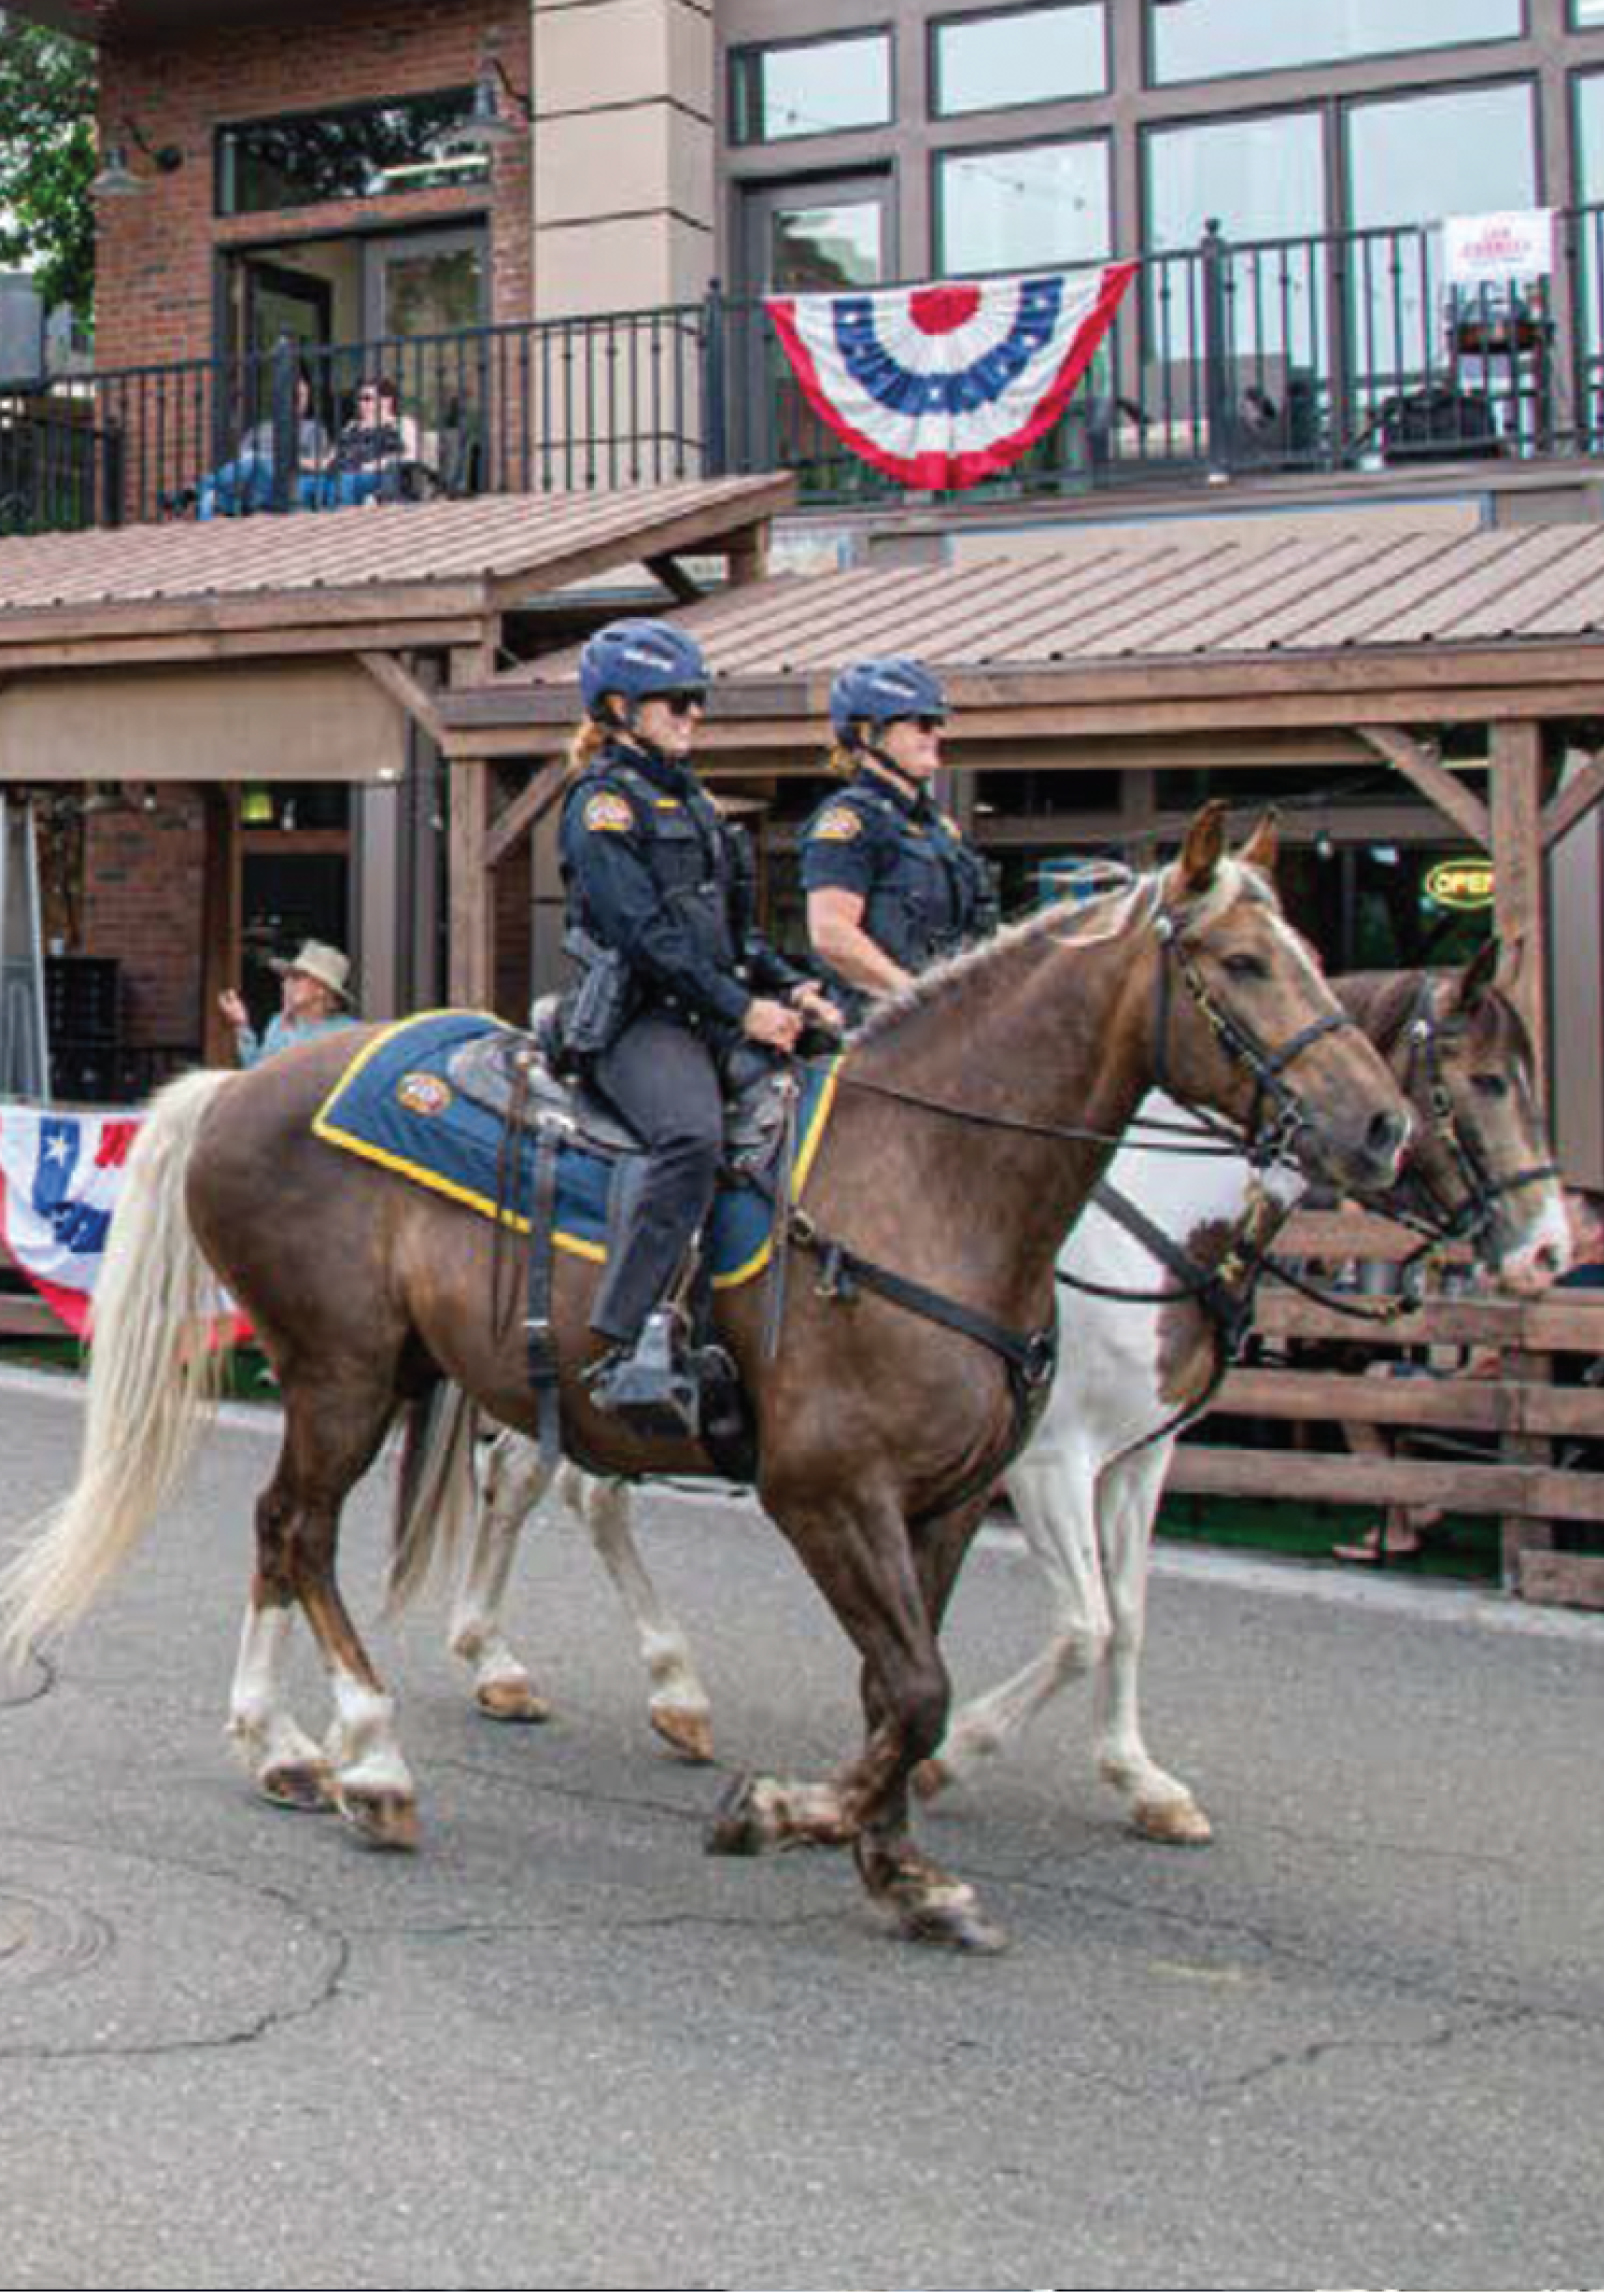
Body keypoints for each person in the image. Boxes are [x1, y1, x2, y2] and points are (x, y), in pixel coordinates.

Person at [557, 616, 840, 1424]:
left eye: (697, 701)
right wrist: (742, 1009)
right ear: (618, 705)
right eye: (673, 701)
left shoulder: (698, 806)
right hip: (637, 1021)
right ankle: (623, 1341)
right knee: (691, 1137)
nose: (691, 714)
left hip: (712, 1014)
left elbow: (737, 938)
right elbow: (642, 937)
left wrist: (793, 991)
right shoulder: (602, 806)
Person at [799, 656, 997, 1025]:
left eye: (938, 722)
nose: (936, 733)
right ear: (868, 732)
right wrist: (915, 998)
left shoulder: (939, 827)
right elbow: (830, 932)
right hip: (877, 1030)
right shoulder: (849, 821)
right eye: (922, 722)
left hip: (948, 1023)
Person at [165, 368, 331, 520]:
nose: (298, 402)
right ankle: (202, 501)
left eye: (302, 397)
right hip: (250, 490)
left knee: (254, 458)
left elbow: (319, 465)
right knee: (213, 495)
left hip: (284, 484)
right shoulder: (260, 429)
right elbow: (239, 464)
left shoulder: (313, 429)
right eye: (294, 395)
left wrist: (286, 459)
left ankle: (192, 492)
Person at [218, 938, 359, 1069]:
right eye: (286, 977)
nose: (285, 984)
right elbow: (258, 1073)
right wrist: (241, 1024)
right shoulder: (277, 1023)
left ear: (321, 990)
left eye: (296, 977)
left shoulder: (348, 1032)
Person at [302, 376, 423, 509]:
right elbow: (330, 459)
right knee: (304, 485)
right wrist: (299, 461)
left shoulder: (401, 423)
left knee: (343, 481)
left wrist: (375, 464)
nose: (362, 403)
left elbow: (411, 456)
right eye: (359, 399)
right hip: (340, 473)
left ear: (387, 401)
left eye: (367, 398)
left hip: (374, 475)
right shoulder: (351, 426)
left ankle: (340, 521)